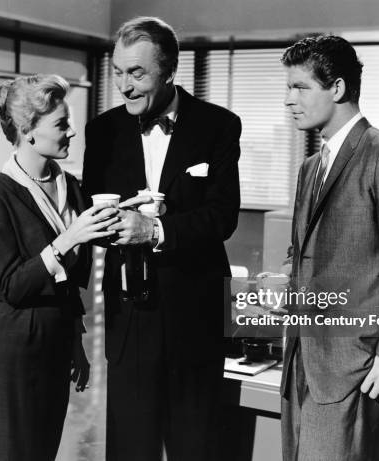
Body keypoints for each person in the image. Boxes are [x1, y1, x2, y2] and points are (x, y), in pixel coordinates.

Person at [81, 16, 241, 461]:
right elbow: (91, 218)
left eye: (137, 73)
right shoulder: (103, 131)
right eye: (117, 71)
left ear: (170, 70)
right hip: (129, 316)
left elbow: (222, 217)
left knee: (196, 446)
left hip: (195, 314)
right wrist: (108, 224)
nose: (124, 85)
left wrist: (156, 229)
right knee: (131, 447)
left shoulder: (219, 126)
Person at [280, 35, 379, 461]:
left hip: (352, 362)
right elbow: (307, 252)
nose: (288, 100)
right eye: (287, 87)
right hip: (301, 359)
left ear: (337, 88)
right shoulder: (310, 167)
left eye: (300, 87)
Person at [0, 74, 119, 461]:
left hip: (55, 344)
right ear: (28, 131)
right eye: (61, 124)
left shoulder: (70, 184)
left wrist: (75, 342)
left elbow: (67, 283)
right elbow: (11, 287)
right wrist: (69, 238)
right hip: (11, 348)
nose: (71, 132)